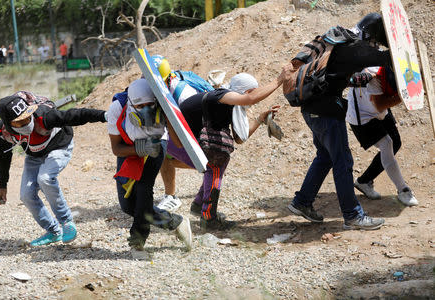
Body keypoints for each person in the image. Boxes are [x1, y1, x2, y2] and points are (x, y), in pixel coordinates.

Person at [286, 13, 392, 230]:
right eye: (375, 41)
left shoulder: (336, 41)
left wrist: (362, 79)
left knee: (325, 156)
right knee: (342, 162)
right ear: (370, 35)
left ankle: (302, 202)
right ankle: (353, 215)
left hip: (311, 109)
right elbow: (383, 59)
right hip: (326, 113)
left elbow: (338, 74)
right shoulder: (354, 47)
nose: (374, 45)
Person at [175, 71, 287, 230]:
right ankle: (208, 218)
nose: (251, 100)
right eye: (252, 92)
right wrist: (280, 79)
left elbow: (240, 138)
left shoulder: (230, 106)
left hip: (187, 139)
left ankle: (200, 205)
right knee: (216, 160)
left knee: (220, 157)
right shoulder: (221, 95)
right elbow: (250, 99)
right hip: (175, 141)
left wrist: (260, 119)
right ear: (246, 92)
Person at [0, 91, 108, 246]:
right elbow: (3, 157)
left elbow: (76, 115)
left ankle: (67, 222)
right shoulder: (3, 133)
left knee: (45, 178)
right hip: (34, 154)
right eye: (20, 122)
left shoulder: (44, 117)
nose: (27, 122)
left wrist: (104, 116)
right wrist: (3, 185)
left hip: (59, 146)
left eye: (28, 117)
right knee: (26, 195)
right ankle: (53, 232)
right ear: (8, 124)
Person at [107, 78, 192, 254]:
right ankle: (175, 222)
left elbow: (179, 142)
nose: (146, 110)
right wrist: (138, 149)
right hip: (128, 146)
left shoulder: (162, 107)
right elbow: (116, 148)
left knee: (144, 189)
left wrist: (169, 118)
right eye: (140, 106)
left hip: (156, 144)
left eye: (149, 104)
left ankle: (137, 242)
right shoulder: (117, 108)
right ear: (131, 104)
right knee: (128, 205)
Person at [346, 66, 418, 206]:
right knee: (387, 144)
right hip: (363, 117)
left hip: (377, 110)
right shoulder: (374, 76)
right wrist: (403, 96)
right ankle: (403, 189)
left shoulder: (387, 65)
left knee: (395, 142)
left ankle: (364, 181)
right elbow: (380, 104)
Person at [151, 55, 207, 212]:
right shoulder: (165, 82)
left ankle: (210, 167)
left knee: (161, 150)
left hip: (202, 135)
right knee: (160, 146)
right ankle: (170, 195)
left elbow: (198, 128)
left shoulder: (184, 95)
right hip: (186, 129)